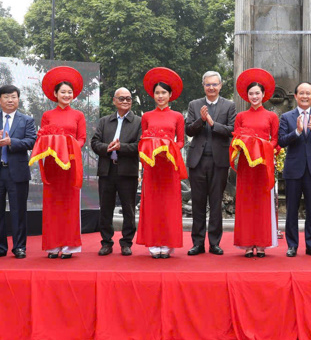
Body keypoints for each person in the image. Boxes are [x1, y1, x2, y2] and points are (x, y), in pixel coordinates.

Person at [0, 84, 37, 259]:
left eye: (13, 97)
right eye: (6, 97)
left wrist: (12, 142)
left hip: (17, 171)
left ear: (18, 99)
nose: (10, 100)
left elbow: (31, 141)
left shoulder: (27, 120)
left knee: (18, 211)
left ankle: (19, 247)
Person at [33, 67, 87, 259]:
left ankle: (69, 246)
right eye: (63, 92)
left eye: (69, 92)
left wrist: (69, 146)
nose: (66, 95)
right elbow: (42, 137)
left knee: (70, 203)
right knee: (52, 203)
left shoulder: (78, 115)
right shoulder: (47, 115)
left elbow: (81, 139)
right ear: (55, 94)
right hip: (53, 164)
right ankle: (53, 245)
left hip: (71, 164)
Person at [184, 70, 236, 256]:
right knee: (198, 203)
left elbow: (232, 130)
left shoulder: (229, 105)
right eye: (208, 84)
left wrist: (213, 124)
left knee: (216, 203)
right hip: (197, 161)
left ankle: (214, 242)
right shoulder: (194, 104)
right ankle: (198, 243)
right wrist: (201, 120)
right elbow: (189, 130)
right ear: (203, 86)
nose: (211, 87)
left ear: (220, 86)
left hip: (219, 160)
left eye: (215, 84)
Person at [137, 67, 187, 258]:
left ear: (170, 95)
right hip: (152, 166)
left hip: (169, 165)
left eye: (163, 93)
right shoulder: (147, 116)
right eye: (157, 93)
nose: (160, 96)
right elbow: (143, 140)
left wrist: (168, 147)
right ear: (153, 95)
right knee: (152, 203)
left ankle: (167, 242)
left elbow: (181, 141)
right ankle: (153, 241)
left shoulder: (177, 117)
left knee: (168, 204)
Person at [230, 69, 281, 257]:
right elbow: (235, 138)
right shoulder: (241, 117)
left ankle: (261, 244)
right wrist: (244, 145)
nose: (254, 96)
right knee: (246, 202)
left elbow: (275, 141)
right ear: (247, 95)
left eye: (257, 93)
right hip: (245, 164)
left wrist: (262, 146)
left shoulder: (272, 116)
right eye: (251, 93)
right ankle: (246, 243)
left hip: (262, 164)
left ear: (263, 95)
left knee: (261, 203)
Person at [278, 82, 311, 257]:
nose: (305, 96)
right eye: (301, 93)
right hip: (294, 169)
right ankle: (292, 245)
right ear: (295, 96)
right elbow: (282, 141)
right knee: (291, 209)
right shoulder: (286, 117)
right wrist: (298, 132)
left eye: (308, 93)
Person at [90, 87, 141, 256]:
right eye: (121, 98)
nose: (125, 101)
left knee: (128, 209)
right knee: (105, 208)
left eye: (128, 98)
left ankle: (126, 242)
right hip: (107, 170)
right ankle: (106, 242)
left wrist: (121, 148)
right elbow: (94, 142)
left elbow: (140, 145)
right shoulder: (105, 121)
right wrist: (107, 147)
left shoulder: (138, 122)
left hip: (127, 171)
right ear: (114, 101)